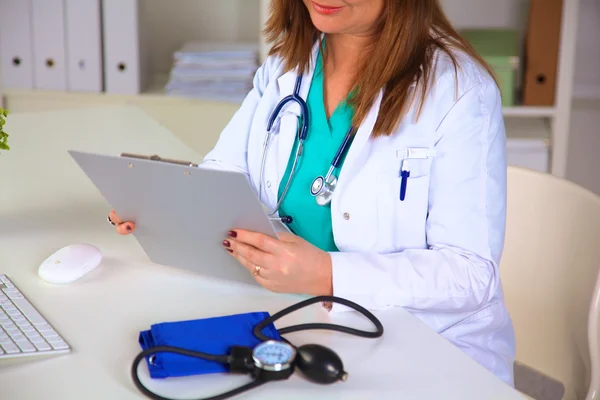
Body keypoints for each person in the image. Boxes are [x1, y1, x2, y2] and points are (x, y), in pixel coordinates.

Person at [109, 0, 516, 386]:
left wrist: (327, 274)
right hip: (301, 325)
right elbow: (224, 176)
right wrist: (160, 204)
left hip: (427, 352)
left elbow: (470, 274)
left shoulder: (460, 92)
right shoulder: (286, 68)